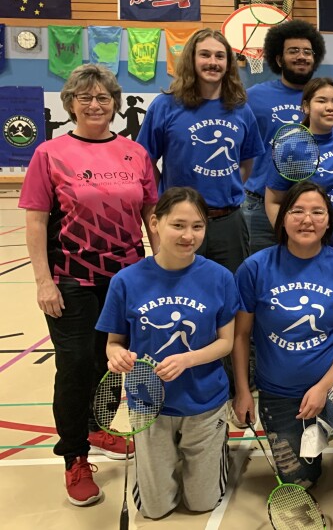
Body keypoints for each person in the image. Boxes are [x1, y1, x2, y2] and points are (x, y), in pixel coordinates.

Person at [19, 63, 158, 506]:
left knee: (115, 361)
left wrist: (160, 272)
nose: (95, 105)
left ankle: (98, 427)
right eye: (85, 98)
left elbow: (150, 216)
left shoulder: (134, 153)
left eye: (103, 97)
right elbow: (37, 220)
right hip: (72, 278)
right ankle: (74, 455)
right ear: (71, 104)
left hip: (127, 278)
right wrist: (44, 281)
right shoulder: (49, 153)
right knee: (77, 367)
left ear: (115, 103)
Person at [233, 181, 333, 526]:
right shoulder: (254, 268)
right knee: (301, 479)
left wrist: (324, 387)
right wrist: (242, 390)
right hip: (277, 390)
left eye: (317, 212)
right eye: (297, 211)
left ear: (329, 221)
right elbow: (240, 336)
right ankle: (312, 430)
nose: (307, 219)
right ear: (283, 218)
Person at [96, 187, 238, 519]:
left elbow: (226, 343)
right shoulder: (125, 281)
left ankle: (217, 450)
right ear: (155, 222)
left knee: (202, 503)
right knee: (154, 509)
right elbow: (114, 342)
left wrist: (187, 359)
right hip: (148, 405)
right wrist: (115, 356)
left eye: (198, 226)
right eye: (178, 225)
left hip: (204, 401)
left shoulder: (220, 278)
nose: (189, 235)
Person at [137, 28, 264, 274]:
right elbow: (146, 161)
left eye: (219, 56)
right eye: (205, 55)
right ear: (191, 60)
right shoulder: (165, 105)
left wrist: (225, 186)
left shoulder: (240, 109)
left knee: (230, 298)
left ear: (228, 64)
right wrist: (166, 199)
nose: (212, 62)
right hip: (179, 220)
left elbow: (246, 162)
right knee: (179, 294)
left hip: (229, 222)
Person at [242, 19, 333, 254]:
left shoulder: (327, 100)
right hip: (260, 206)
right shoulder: (254, 98)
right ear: (279, 59)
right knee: (261, 279)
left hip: (312, 210)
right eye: (293, 51)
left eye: (307, 52)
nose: (302, 56)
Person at [265, 78, 333, 259]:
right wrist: (289, 238)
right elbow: (273, 201)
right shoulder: (291, 146)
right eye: (321, 101)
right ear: (306, 107)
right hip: (305, 248)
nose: (330, 107)